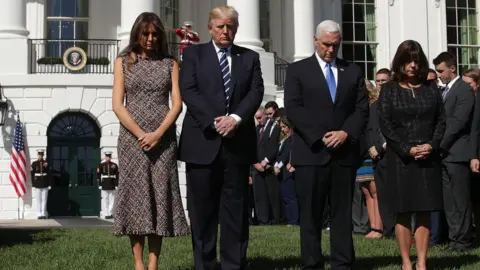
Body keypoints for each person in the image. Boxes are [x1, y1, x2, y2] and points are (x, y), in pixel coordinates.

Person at [178, 5, 264, 270]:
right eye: (220, 26)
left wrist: (235, 119)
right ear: (210, 27)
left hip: (237, 144)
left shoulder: (249, 57)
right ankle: (204, 264)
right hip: (202, 141)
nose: (226, 31)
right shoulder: (193, 54)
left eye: (231, 27)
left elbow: (255, 91)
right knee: (202, 211)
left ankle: (233, 263)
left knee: (235, 210)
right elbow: (189, 90)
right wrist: (216, 121)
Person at [284, 20, 369, 269]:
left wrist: (345, 133)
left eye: (335, 45)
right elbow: (293, 108)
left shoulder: (352, 70)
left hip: (343, 153)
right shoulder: (298, 70)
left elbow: (361, 108)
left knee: (342, 213)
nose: (331, 50)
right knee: (311, 215)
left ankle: (342, 262)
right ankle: (312, 263)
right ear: (315, 40)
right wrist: (322, 135)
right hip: (311, 152)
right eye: (326, 44)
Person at [111, 12, 189, 270]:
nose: (150, 38)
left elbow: (176, 104)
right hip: (132, 140)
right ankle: (138, 263)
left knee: (158, 197)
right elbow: (118, 105)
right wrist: (140, 133)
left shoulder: (170, 63)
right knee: (136, 197)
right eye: (145, 34)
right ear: (137, 34)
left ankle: (153, 263)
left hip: (163, 141)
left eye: (155, 34)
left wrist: (157, 133)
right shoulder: (123, 62)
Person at [377, 40, 446, 270]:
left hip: (428, 158)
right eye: (408, 61)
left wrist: (432, 145)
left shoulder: (431, 89)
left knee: (424, 210)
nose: (413, 66)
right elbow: (386, 125)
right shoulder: (389, 90)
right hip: (401, 159)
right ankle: (407, 262)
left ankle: (423, 261)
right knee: (403, 212)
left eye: (416, 61)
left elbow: (441, 120)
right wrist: (407, 148)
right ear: (400, 62)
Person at [433, 51, 475, 252]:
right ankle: (454, 239)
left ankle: (464, 240)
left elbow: (459, 121)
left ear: (452, 68)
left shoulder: (463, 90)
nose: (438, 74)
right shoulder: (446, 90)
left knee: (460, 200)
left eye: (441, 70)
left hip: (457, 153)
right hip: (444, 154)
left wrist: (438, 144)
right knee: (449, 201)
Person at [359, 79, 384, 239]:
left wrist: (375, 147)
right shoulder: (360, 108)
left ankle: (379, 229)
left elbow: (376, 129)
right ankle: (373, 226)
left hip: (372, 151)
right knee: (366, 191)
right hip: (361, 153)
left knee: (375, 191)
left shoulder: (375, 105)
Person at [273, 116, 298, 226]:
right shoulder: (284, 139)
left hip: (288, 171)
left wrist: (279, 165)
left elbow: (286, 155)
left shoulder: (292, 139)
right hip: (282, 171)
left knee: (290, 197)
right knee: (286, 197)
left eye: (284, 127)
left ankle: (294, 221)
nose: (282, 129)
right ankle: (290, 219)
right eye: (281, 127)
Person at [97, 151, 118, 219]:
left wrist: (116, 184)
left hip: (112, 183)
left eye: (109, 156)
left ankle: (110, 213)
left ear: (111, 157)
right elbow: (98, 175)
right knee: (105, 199)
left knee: (112, 199)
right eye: (107, 156)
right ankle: (106, 213)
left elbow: (117, 175)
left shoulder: (114, 165)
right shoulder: (101, 165)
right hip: (104, 183)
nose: (108, 158)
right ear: (105, 157)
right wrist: (99, 184)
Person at [31, 149, 51, 219]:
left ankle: (43, 213)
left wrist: (49, 184)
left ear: (43, 155)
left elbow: (49, 174)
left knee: (44, 199)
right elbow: (32, 174)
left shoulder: (47, 163)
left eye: (41, 155)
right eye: (39, 155)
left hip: (45, 183)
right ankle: (38, 214)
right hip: (37, 183)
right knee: (38, 199)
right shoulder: (34, 163)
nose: (40, 156)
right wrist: (33, 184)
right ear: (37, 155)